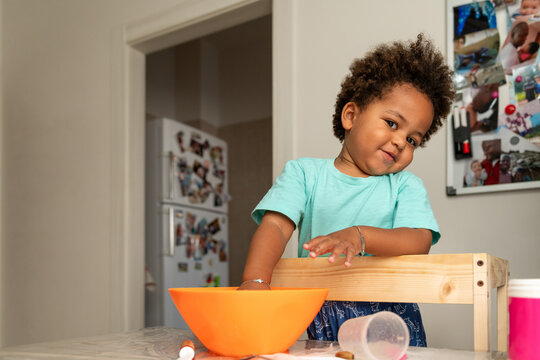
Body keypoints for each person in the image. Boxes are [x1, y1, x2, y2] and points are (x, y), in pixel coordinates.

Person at [238, 34, 455, 347]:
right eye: (393, 123)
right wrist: (255, 281)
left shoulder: (405, 186)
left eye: (412, 140)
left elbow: (419, 241)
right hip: (324, 311)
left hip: (391, 317)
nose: (400, 141)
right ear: (351, 115)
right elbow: (274, 225)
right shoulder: (304, 174)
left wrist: (359, 235)